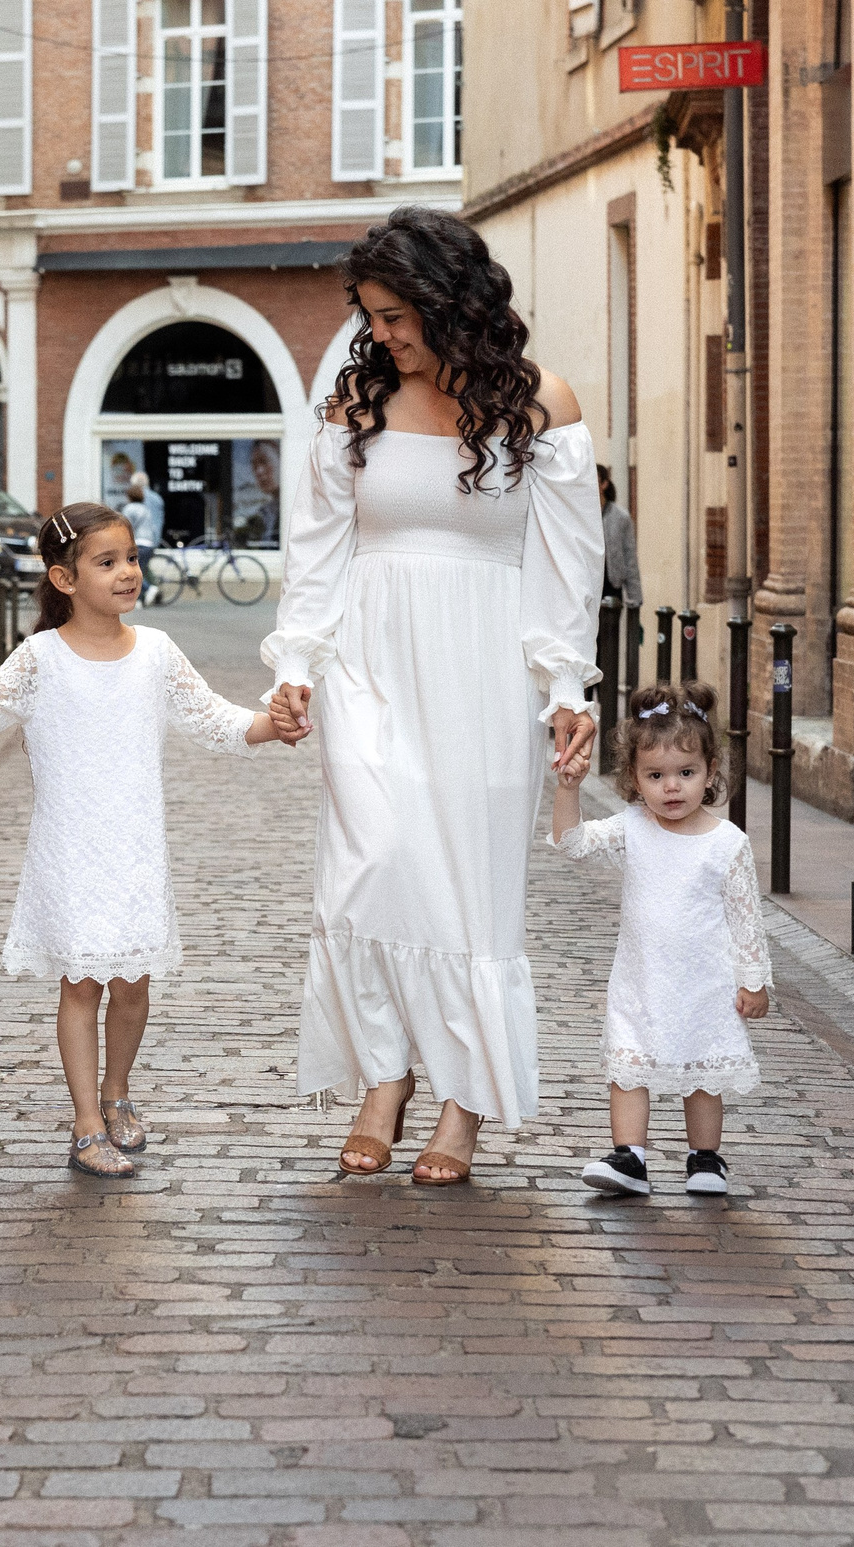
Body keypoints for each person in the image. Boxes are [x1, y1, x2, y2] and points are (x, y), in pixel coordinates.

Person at [264, 207, 606, 1185]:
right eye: (370, 318)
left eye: (396, 316)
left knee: (469, 886)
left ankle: (463, 1101)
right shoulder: (354, 408)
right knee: (368, 863)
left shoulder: (542, 404)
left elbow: (567, 566)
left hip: (485, 669)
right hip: (368, 665)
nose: (382, 337)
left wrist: (566, 685)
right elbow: (316, 555)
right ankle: (385, 1075)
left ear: (450, 303)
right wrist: (296, 668)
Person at [0, 503, 286, 1177]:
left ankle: (117, 1091)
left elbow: (214, 718)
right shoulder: (41, 658)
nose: (128, 572)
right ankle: (85, 1122)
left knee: (131, 983)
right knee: (80, 985)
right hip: (70, 850)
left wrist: (272, 724)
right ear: (65, 579)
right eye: (108, 562)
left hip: (135, 850)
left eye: (130, 558)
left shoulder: (156, 652)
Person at [550, 681, 771, 1197]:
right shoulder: (633, 828)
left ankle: (705, 1158)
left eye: (685, 773)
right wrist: (568, 790)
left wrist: (753, 981)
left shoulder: (727, 843)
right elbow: (573, 844)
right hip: (641, 981)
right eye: (656, 776)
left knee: (703, 1072)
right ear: (634, 778)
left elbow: (746, 919)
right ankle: (630, 1157)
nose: (672, 787)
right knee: (629, 1064)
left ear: (710, 772)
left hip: (706, 987)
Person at [599, 465, 642, 610]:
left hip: (612, 586)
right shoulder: (581, 515)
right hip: (587, 586)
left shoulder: (620, 517)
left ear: (604, 484)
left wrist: (635, 597)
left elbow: (630, 556)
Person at [121, 474, 163, 603]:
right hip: (149, 542)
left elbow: (125, 527)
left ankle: (150, 589)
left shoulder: (129, 509)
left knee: (133, 571)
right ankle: (141, 598)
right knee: (141, 569)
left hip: (138, 543)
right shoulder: (147, 508)